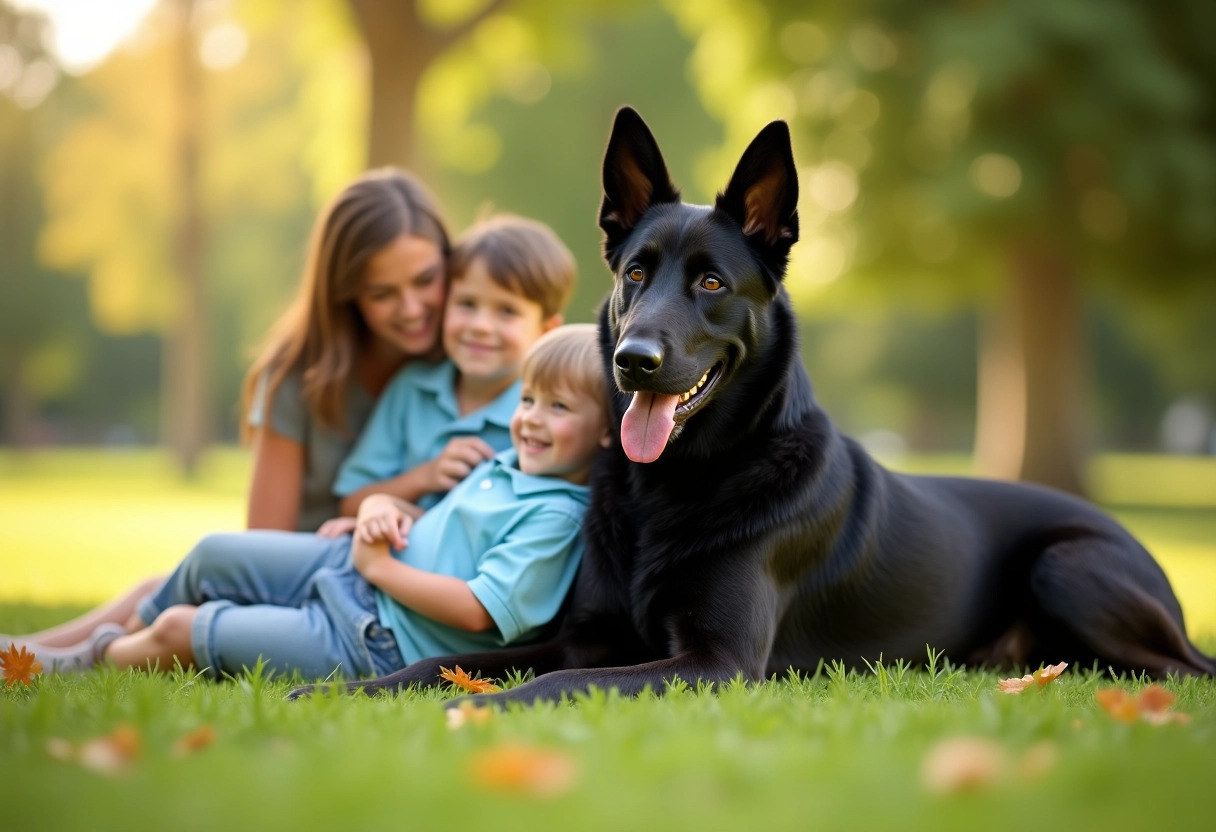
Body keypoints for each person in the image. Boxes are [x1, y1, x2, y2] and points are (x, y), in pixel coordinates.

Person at [7, 168, 451, 649]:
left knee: (179, 591)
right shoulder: (297, 377)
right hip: (309, 575)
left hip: (410, 585)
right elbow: (260, 543)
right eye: (382, 293)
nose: (411, 308)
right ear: (346, 294)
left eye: (425, 280)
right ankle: (26, 654)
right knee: (184, 585)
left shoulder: (470, 367)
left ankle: (35, 653)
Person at [47, 324, 610, 680]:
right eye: (529, 398)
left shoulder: (557, 517)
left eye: (558, 408)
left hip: (376, 638)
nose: (531, 418)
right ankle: (113, 638)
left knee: (184, 630)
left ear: (608, 431)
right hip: (353, 567)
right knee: (214, 552)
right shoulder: (506, 465)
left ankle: (88, 662)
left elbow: (478, 609)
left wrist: (381, 570)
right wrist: (382, 512)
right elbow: (441, 527)